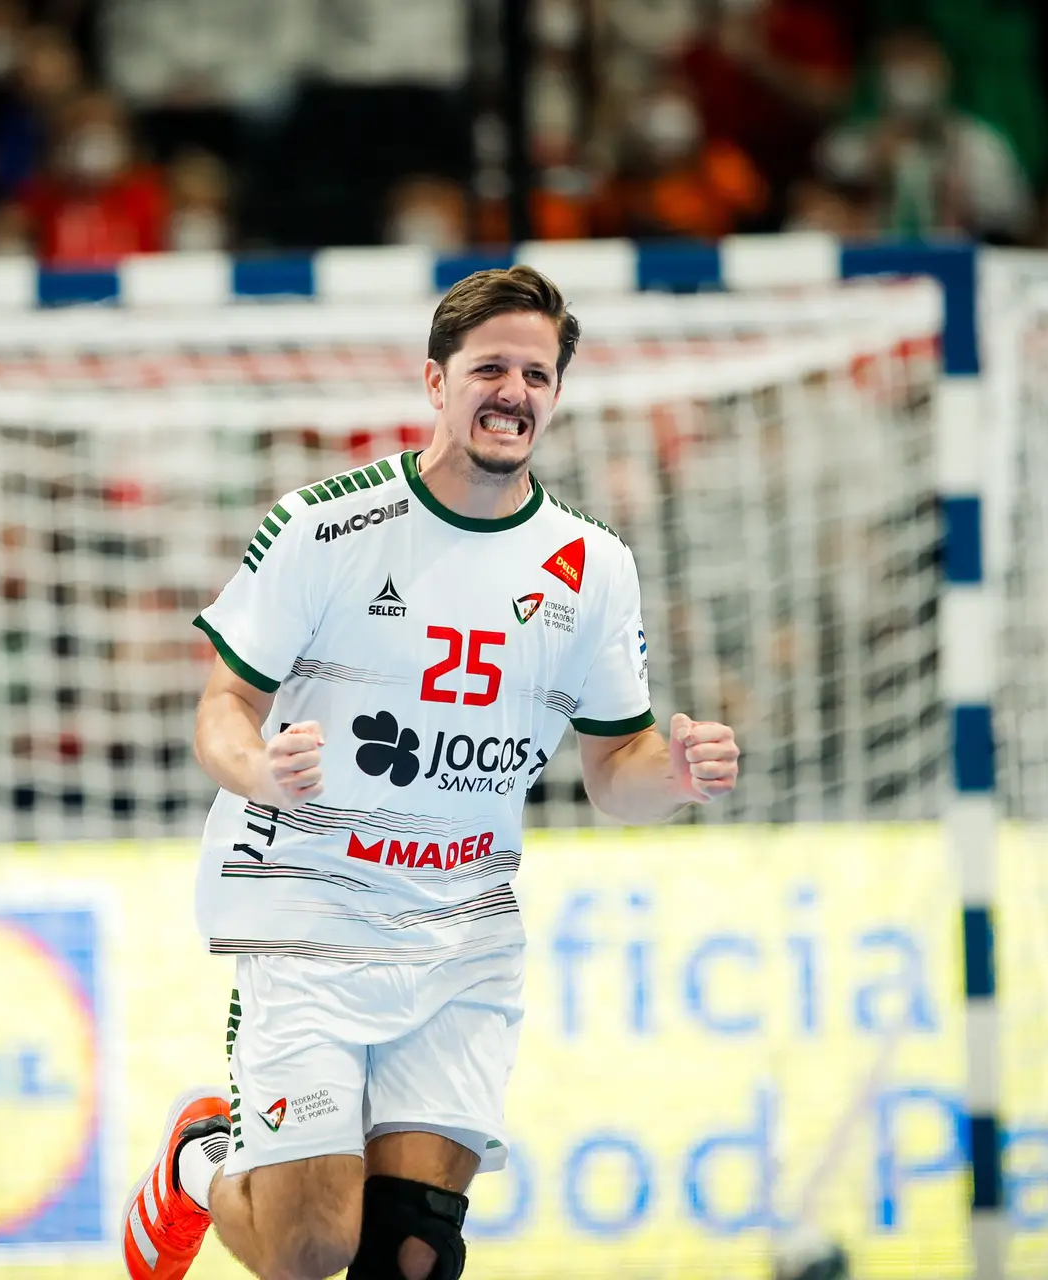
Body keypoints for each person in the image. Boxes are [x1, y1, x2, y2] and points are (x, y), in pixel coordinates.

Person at [121, 265, 740, 1280]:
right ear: (435, 381)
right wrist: (261, 770)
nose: (514, 390)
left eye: (537, 373)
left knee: (411, 1255)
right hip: (310, 912)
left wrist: (671, 771)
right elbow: (221, 709)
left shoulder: (593, 565)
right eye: (490, 365)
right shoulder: (326, 526)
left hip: (461, 932)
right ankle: (201, 1163)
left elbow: (613, 770)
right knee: (312, 1246)